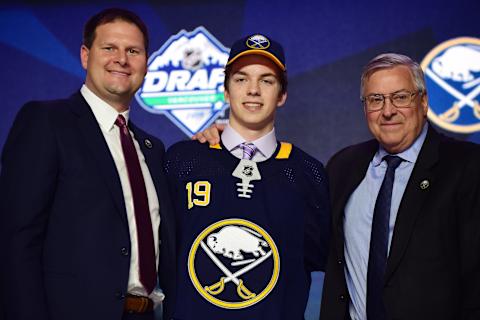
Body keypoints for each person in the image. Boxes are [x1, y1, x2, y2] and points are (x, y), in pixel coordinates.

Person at [0, 8, 175, 320]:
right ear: (85, 55)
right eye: (109, 48)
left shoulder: (153, 148)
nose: (121, 59)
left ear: (146, 64)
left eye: (133, 51)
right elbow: (17, 241)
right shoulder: (46, 122)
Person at [164, 34, 331, 319]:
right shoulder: (183, 160)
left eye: (266, 81)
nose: (253, 90)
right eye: (241, 79)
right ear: (226, 91)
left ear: (282, 95)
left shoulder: (308, 173)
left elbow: (324, 260)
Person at [320, 53, 480, 320]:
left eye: (400, 97)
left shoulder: (467, 167)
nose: (388, 110)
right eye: (376, 99)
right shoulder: (342, 167)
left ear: (424, 101)